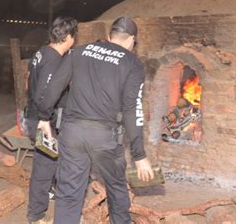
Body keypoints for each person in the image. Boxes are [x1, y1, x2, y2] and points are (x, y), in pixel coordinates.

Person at [37, 16, 154, 224]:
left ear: (109, 36)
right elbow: (132, 110)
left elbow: (53, 86)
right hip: (105, 138)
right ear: (131, 41)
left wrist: (44, 117)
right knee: (117, 191)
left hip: (72, 134)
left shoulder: (78, 52)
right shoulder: (132, 64)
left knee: (69, 195)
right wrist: (139, 155)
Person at [25, 16, 78, 224]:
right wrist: (44, 119)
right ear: (69, 37)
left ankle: (53, 191)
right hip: (42, 120)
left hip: (36, 115)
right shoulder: (54, 59)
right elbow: (43, 93)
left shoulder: (41, 52)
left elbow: (28, 84)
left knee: (56, 158)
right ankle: (36, 214)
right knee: (43, 166)